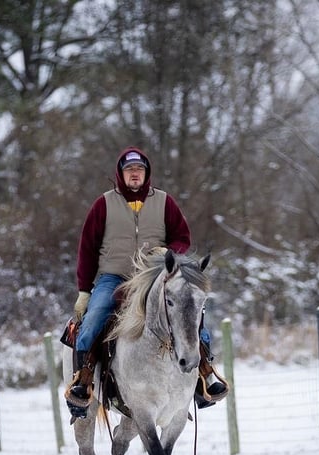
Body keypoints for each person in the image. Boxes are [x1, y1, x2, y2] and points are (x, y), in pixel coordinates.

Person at [64, 146, 228, 419]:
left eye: (139, 170)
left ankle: (204, 376)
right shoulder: (103, 204)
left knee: (188, 311)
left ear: (146, 173)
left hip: (155, 276)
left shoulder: (164, 202)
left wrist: (168, 251)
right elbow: (87, 249)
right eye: (129, 170)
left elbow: (183, 238)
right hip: (113, 277)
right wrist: (84, 289)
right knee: (93, 319)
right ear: (121, 174)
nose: (135, 174)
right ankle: (83, 382)